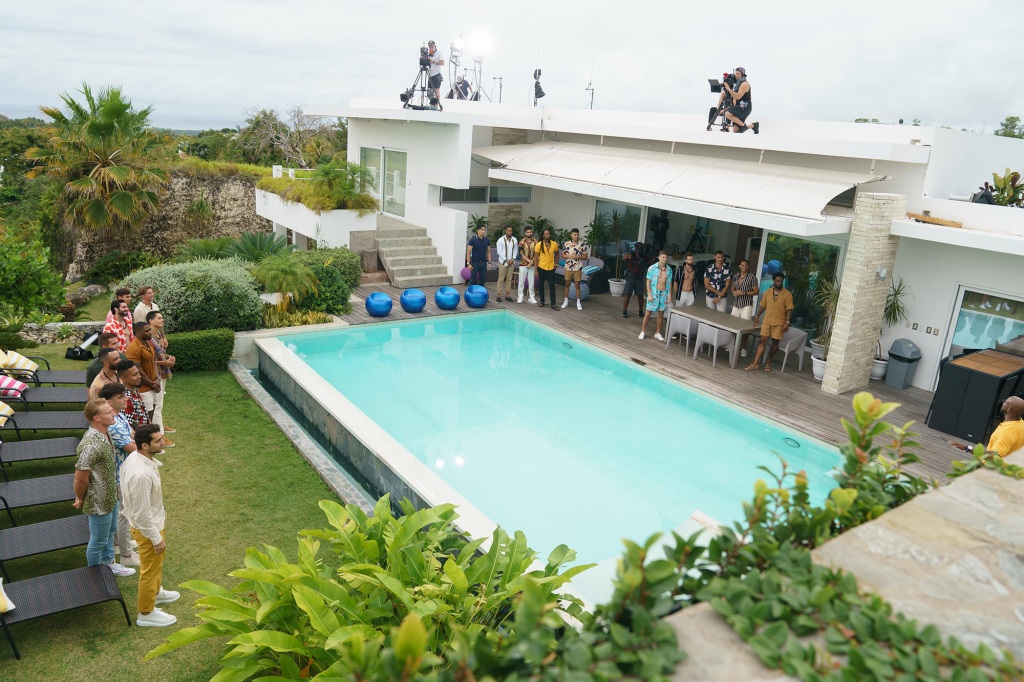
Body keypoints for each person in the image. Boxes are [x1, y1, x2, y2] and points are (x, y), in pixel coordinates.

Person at [121, 423, 180, 627]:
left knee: (155, 566)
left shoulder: (138, 457)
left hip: (150, 523)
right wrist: (156, 538)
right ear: (145, 445)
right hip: (148, 529)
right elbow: (142, 513)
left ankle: (156, 593)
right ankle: (146, 613)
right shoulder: (141, 475)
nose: (163, 442)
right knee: (149, 570)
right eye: (158, 440)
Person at [73, 399, 136, 578]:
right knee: (97, 541)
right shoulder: (92, 444)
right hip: (97, 500)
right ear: (97, 418)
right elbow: (80, 479)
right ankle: (96, 577)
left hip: (110, 495)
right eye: (108, 412)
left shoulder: (105, 434)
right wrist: (80, 498)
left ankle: (109, 564)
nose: (113, 414)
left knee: (109, 532)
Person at [98, 383, 141, 568]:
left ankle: (118, 544)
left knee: (122, 512)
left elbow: (131, 434)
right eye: (121, 397)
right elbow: (131, 446)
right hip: (120, 475)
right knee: (125, 514)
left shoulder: (118, 415)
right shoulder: (113, 424)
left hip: (122, 472)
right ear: (109, 401)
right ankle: (126, 554)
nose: (126, 399)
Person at [746, 272, 794, 372]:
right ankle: (755, 364)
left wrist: (787, 322)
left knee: (775, 343)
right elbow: (763, 305)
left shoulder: (788, 294)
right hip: (767, 321)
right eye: (777, 281)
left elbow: (789, 309)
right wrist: (757, 316)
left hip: (779, 322)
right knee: (762, 341)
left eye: (781, 281)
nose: (779, 283)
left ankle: (768, 362)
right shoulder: (768, 292)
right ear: (774, 281)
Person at [949, 396, 1024, 458]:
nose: (1003, 403)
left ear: (1009, 409)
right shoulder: (1021, 424)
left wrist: (967, 448)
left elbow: (994, 456)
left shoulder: (1007, 432)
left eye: (1005, 402)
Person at [147, 311, 176, 436]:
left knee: (160, 404)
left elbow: (161, 353)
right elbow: (150, 360)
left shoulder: (159, 334)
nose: (162, 320)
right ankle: (159, 435)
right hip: (155, 373)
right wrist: (164, 363)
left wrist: (169, 357)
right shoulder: (149, 339)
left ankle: (159, 427)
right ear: (151, 321)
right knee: (157, 405)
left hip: (162, 372)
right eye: (159, 318)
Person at [126, 322, 161, 422]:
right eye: (147, 331)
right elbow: (137, 370)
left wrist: (157, 379)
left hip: (152, 385)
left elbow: (153, 362)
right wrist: (152, 384)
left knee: (152, 415)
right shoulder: (133, 348)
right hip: (144, 388)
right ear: (138, 333)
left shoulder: (148, 343)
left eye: (149, 330)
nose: (150, 332)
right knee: (146, 417)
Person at [639, 251, 673, 340]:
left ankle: (657, 332)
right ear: (658, 257)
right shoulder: (652, 268)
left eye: (666, 257)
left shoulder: (669, 269)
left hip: (663, 293)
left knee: (661, 314)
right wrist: (649, 294)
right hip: (654, 293)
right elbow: (648, 281)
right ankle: (642, 331)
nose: (664, 259)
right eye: (663, 257)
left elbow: (669, 283)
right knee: (648, 313)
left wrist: (669, 296)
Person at [721, 67, 759, 134]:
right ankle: (753, 125)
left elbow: (738, 96)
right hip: (739, 106)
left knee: (727, 114)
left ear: (742, 74)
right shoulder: (737, 84)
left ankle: (743, 125)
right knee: (736, 130)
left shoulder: (744, 84)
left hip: (744, 107)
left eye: (738, 74)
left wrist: (729, 89)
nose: (736, 75)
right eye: (735, 73)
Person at [116, 359, 151, 429]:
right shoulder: (125, 398)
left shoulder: (134, 390)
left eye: (138, 373)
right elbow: (130, 426)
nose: (139, 376)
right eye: (135, 375)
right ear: (123, 378)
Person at [561, 227, 589, 311]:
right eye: (575, 235)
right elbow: (563, 255)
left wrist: (577, 256)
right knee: (567, 284)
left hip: (578, 267)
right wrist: (569, 256)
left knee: (577, 285)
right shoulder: (566, 244)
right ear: (571, 235)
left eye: (577, 234)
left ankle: (578, 302)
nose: (576, 236)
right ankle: (565, 301)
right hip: (568, 266)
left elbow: (586, 256)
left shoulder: (582, 244)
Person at [621, 243, 648, 318]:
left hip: (639, 277)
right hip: (631, 277)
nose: (638, 250)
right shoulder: (631, 254)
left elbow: (648, 262)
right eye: (637, 248)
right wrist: (627, 256)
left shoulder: (643, 256)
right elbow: (623, 258)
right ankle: (624, 310)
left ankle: (640, 310)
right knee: (627, 294)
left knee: (640, 295)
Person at [535, 228, 559, 310]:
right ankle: (542, 301)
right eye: (546, 234)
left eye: (549, 234)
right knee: (541, 285)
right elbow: (535, 258)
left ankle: (553, 304)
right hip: (542, 267)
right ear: (543, 235)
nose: (548, 235)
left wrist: (556, 263)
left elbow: (557, 254)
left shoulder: (554, 244)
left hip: (551, 267)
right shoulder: (538, 245)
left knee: (552, 285)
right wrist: (536, 270)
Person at [495, 224, 519, 303]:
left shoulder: (514, 240)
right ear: (505, 231)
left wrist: (513, 259)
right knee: (501, 279)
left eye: (511, 230)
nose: (510, 232)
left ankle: (507, 296)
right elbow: (499, 251)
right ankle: (499, 295)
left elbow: (515, 250)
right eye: (509, 231)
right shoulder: (500, 240)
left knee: (509, 279)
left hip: (511, 262)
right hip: (502, 262)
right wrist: (506, 260)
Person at [517, 225, 537, 304]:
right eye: (527, 232)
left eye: (530, 232)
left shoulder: (535, 242)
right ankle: (520, 296)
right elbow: (521, 254)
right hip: (523, 264)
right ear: (525, 233)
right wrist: (528, 261)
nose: (529, 233)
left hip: (532, 264)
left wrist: (532, 262)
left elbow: (537, 253)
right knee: (521, 281)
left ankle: (531, 296)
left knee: (531, 281)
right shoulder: (522, 242)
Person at [426, 40, 445, 105]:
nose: (430, 47)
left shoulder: (439, 53)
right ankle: (432, 104)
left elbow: (442, 63)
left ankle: (437, 104)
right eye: (429, 46)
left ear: (434, 45)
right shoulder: (428, 53)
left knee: (436, 90)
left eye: (431, 45)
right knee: (430, 91)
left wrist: (433, 61)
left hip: (436, 74)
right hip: (430, 74)